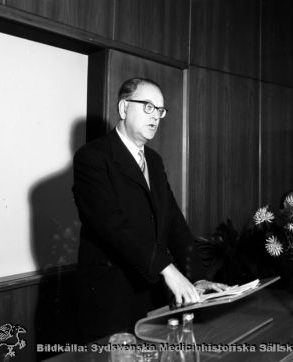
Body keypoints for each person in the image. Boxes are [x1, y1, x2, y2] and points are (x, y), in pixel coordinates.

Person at [72, 78, 226, 342]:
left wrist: (197, 277)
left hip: (153, 296)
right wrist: (169, 271)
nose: (156, 116)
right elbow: (114, 227)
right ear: (123, 109)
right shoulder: (92, 158)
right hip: (112, 299)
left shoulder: (153, 161)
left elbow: (174, 222)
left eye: (161, 110)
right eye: (148, 107)